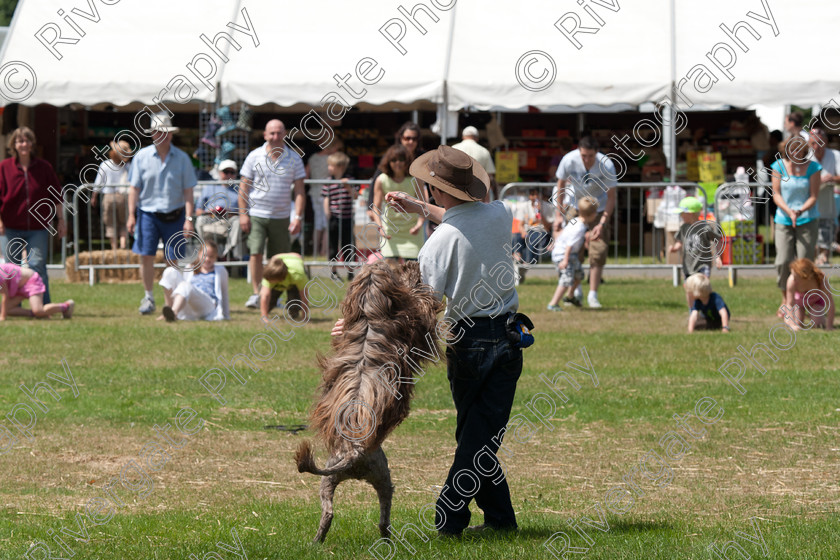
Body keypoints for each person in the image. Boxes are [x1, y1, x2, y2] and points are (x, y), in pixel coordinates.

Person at [383, 145, 522, 536]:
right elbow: (468, 220)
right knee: (479, 435)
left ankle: (450, 515)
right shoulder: (500, 214)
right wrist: (421, 207)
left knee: (474, 436)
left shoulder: (436, 246)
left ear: (436, 191)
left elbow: (427, 305)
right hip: (508, 337)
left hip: (468, 342)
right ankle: (500, 521)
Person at [127, 113, 196, 315]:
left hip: (175, 214)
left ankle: (173, 301)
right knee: (146, 256)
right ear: (152, 134)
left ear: (171, 134)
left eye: (166, 132)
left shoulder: (183, 159)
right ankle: (148, 297)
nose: (162, 135)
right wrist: (131, 215)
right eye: (158, 132)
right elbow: (134, 189)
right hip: (147, 214)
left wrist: (189, 219)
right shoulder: (141, 157)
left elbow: (189, 192)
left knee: (173, 259)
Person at [240, 120, 306, 309]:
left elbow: (300, 191)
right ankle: (257, 292)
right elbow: (243, 187)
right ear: (265, 135)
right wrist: (243, 214)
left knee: (279, 258)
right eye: (272, 133)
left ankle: (274, 295)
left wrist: (298, 217)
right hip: (257, 213)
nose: (275, 137)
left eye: (278, 133)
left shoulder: (294, 158)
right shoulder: (254, 156)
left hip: (282, 215)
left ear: (285, 134)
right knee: (256, 252)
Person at [0, 127, 65, 305]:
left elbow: (57, 195)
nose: (24, 144)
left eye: (27, 140)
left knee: (37, 266)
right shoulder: (4, 167)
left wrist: (61, 220)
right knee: (12, 269)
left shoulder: (44, 167)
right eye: (20, 141)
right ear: (13, 144)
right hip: (10, 227)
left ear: (32, 143)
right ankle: (13, 307)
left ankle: (43, 305)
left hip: (38, 228)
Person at [553, 136, 617, 308]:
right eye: (583, 156)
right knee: (575, 249)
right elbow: (560, 186)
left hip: (599, 208)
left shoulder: (606, 164)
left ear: (597, 153)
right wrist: (559, 215)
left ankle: (593, 295)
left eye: (590, 156)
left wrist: (602, 223)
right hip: (575, 206)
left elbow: (611, 197)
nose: (587, 159)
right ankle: (576, 291)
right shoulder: (568, 160)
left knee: (598, 250)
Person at [771, 135, 821, 313]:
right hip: (783, 219)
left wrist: (799, 211)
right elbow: (776, 193)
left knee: (805, 262)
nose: (795, 153)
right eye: (791, 149)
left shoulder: (813, 168)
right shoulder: (778, 166)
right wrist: (789, 211)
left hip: (807, 219)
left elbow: (814, 196)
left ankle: (807, 302)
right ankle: (786, 300)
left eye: (799, 150)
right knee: (783, 260)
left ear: (804, 151)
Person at [371, 145, 424, 262]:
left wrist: (419, 225)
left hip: (413, 231)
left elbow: (423, 205)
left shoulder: (415, 179)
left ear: (407, 161)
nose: (397, 163)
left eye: (401, 159)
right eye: (394, 160)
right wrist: (380, 227)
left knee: (413, 271)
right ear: (388, 162)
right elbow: (376, 207)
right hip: (390, 231)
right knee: (390, 271)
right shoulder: (381, 179)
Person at [668, 196, 723, 308]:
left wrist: (717, 256)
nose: (680, 215)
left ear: (691, 214)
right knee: (689, 290)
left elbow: (718, 240)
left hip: (703, 265)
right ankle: (692, 312)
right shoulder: (683, 228)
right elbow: (680, 242)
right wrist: (674, 248)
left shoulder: (705, 227)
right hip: (688, 266)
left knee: (702, 288)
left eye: (683, 213)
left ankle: (707, 310)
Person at [158, 240, 229, 322]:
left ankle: (174, 313)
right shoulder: (190, 268)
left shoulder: (220, 270)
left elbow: (224, 293)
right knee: (170, 271)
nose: (207, 259)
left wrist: (226, 315)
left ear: (216, 256)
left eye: (211, 256)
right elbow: (183, 290)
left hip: (207, 305)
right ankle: (169, 310)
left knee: (186, 285)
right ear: (199, 254)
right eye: (205, 255)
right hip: (190, 304)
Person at [367, 122, 424, 223]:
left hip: (416, 214)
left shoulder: (422, 157)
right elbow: (376, 179)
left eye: (414, 139)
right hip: (392, 217)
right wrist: (370, 206)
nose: (411, 141)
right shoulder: (392, 155)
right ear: (401, 138)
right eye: (407, 138)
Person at [546, 197, 597, 311]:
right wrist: (565, 260)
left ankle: (570, 296)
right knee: (566, 279)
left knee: (579, 275)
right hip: (564, 255)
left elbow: (564, 234)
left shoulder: (576, 222)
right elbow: (569, 244)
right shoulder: (579, 227)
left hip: (569, 254)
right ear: (592, 214)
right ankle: (553, 304)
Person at [194, 159, 244, 260]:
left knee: (238, 221)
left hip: (229, 220)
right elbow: (198, 210)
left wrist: (229, 213)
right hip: (210, 219)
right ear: (220, 173)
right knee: (199, 220)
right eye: (226, 172)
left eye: (232, 172)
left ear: (235, 174)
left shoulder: (239, 190)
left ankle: (226, 253)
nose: (229, 175)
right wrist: (209, 212)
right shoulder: (209, 188)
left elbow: (243, 212)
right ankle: (206, 248)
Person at [322, 152, 357, 280]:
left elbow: (355, 195)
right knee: (332, 245)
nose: (329, 168)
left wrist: (347, 186)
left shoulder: (350, 179)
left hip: (347, 218)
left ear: (340, 167)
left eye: (331, 166)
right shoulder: (328, 181)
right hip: (334, 218)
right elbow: (326, 198)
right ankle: (333, 271)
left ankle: (350, 271)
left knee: (348, 245)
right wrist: (327, 213)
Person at [92, 139, 132, 250]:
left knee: (110, 224)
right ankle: (123, 246)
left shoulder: (105, 165)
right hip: (123, 197)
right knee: (123, 222)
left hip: (108, 197)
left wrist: (94, 196)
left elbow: (98, 182)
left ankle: (114, 248)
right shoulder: (127, 166)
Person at [306, 138, 344, 257]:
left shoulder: (312, 158)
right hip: (328, 192)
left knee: (318, 223)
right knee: (327, 222)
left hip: (314, 192)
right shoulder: (331, 161)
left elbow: (306, 173)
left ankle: (316, 250)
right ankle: (324, 250)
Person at [0, 262, 74, 320]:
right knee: (5, 309)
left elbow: (5, 296)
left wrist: (2, 317)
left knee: (38, 310)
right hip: (18, 286)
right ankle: (34, 314)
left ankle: (66, 307)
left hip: (31, 281)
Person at [808, 129, 839, 265]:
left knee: (825, 239)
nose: (817, 147)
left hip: (828, 206)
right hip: (809, 206)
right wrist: (817, 181)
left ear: (825, 142)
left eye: (819, 143)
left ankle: (823, 260)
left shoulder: (835, 155)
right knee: (812, 240)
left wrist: (832, 178)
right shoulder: (805, 156)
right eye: (813, 144)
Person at [784, 258, 834, 331]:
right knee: (797, 323)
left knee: (818, 324)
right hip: (799, 303)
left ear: (805, 277)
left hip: (816, 301)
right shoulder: (792, 280)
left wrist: (829, 326)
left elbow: (830, 303)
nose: (793, 279)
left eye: (796, 277)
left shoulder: (820, 279)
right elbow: (790, 304)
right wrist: (792, 325)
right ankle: (787, 316)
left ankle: (815, 315)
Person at [260, 252, 309, 319]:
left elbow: (304, 297)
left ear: (280, 279)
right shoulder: (270, 273)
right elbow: (264, 296)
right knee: (268, 303)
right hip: (277, 258)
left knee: (294, 305)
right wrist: (264, 317)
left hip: (295, 261)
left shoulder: (297, 275)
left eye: (271, 281)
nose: (269, 282)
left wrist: (304, 317)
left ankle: (293, 311)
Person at [452, 126, 496, 199]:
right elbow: (489, 175)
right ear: (477, 138)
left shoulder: (454, 149)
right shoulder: (484, 151)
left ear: (463, 137)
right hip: (477, 193)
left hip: (457, 192)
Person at [520, 187, 554, 266]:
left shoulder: (548, 206)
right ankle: (519, 258)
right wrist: (522, 231)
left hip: (542, 231)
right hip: (528, 230)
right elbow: (521, 224)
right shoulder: (525, 206)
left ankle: (527, 261)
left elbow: (548, 228)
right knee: (517, 237)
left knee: (534, 237)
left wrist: (540, 212)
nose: (535, 197)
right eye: (532, 195)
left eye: (537, 194)